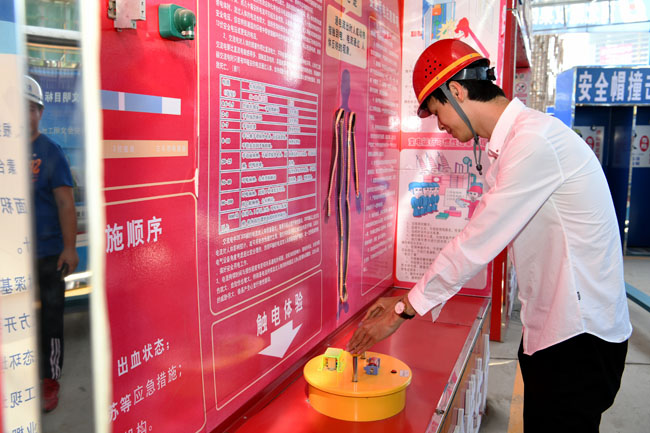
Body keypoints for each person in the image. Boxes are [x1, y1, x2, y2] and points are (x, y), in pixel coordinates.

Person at [347, 39, 632, 433]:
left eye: (437, 111)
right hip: (555, 329)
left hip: (578, 338)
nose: (440, 126)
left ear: (457, 91)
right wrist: (405, 299)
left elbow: (478, 241)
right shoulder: (517, 142)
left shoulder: (533, 142)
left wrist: (404, 309)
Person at [26, 75, 79, 412]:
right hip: (13, 255)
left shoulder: (51, 152)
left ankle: (50, 378)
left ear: (40, 113)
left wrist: (69, 248)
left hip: (49, 254)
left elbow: (65, 204)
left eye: (30, 108)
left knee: (51, 317)